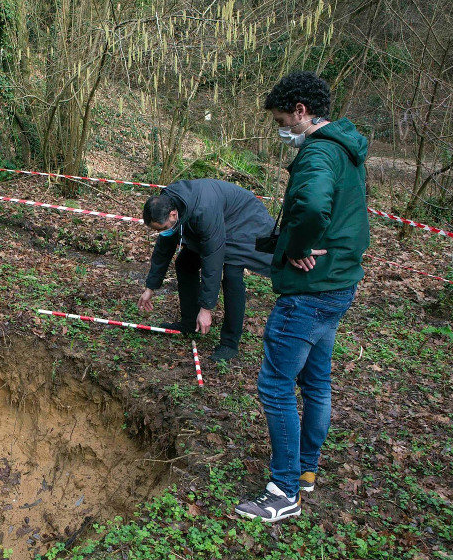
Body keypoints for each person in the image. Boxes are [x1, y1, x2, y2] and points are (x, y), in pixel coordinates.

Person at [234, 71, 369, 522]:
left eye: (281, 120)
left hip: (309, 292)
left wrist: (294, 248)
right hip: (339, 285)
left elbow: (312, 206)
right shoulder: (346, 149)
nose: (281, 130)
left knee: (275, 386)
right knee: (315, 382)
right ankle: (306, 470)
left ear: (300, 111)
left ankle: (284, 490)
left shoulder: (318, 153)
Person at [138, 180, 274, 362]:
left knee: (232, 276)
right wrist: (150, 287)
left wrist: (206, 308)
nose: (161, 232)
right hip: (217, 218)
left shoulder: (204, 211)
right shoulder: (169, 201)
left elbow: (213, 258)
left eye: (162, 228)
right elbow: (164, 246)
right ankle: (189, 323)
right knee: (185, 263)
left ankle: (229, 343)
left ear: (173, 214)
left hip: (244, 221)